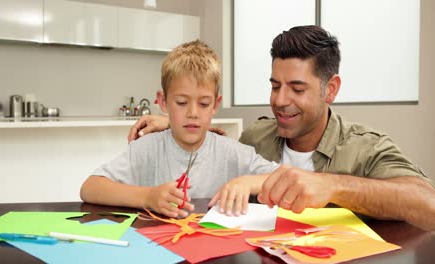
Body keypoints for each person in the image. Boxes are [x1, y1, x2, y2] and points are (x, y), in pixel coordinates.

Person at [127, 26, 435, 231]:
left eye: (297, 89)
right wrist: (175, 123)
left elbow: (428, 206)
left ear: (331, 90)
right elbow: (218, 147)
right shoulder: (255, 137)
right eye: (276, 86)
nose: (280, 101)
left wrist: (333, 186)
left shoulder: (366, 148)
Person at [80, 40, 280, 218]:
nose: (193, 113)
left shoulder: (233, 153)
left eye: (203, 104)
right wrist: (148, 197)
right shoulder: (146, 148)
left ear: (215, 105)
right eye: (182, 102)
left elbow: (286, 179)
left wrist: (247, 182)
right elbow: (90, 188)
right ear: (163, 102)